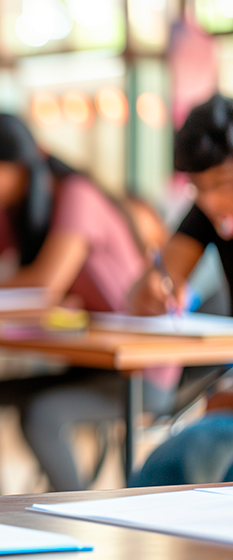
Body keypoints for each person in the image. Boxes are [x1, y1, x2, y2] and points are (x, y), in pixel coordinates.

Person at [0, 113, 177, 495]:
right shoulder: (13, 210)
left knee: (42, 415)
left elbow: (43, 287)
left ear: (21, 162)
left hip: (139, 368)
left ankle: (82, 530)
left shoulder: (77, 195)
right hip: (87, 361)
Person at [127, 94, 233, 486]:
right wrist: (153, 288)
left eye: (221, 183)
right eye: (197, 188)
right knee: (161, 470)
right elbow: (148, 288)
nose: (210, 199)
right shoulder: (209, 210)